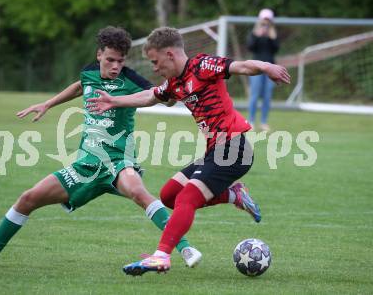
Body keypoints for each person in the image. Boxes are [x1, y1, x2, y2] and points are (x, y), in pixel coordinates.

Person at [0, 26, 202, 268]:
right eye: (110, 60)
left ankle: (185, 248)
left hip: (118, 161)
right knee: (27, 198)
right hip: (84, 166)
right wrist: (48, 104)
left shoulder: (130, 80)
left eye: (120, 61)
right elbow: (79, 86)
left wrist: (175, 86)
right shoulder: (89, 73)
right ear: (99, 55)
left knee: (139, 191)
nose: (115, 66)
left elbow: (162, 97)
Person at [87, 26, 290, 275]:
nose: (154, 68)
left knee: (187, 198)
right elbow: (151, 96)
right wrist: (114, 100)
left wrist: (267, 67)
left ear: (170, 54)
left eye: (155, 61)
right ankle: (234, 195)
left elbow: (242, 66)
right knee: (170, 195)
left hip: (233, 148)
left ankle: (161, 256)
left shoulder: (202, 66)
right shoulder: (175, 82)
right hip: (215, 151)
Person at [247, 8, 280, 132]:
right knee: (254, 95)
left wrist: (271, 36)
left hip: (270, 69)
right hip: (255, 68)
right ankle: (250, 121)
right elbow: (250, 47)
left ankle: (264, 122)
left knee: (267, 96)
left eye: (268, 21)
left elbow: (276, 49)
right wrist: (257, 35)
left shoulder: (273, 34)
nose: (265, 24)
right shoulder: (254, 33)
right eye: (264, 21)